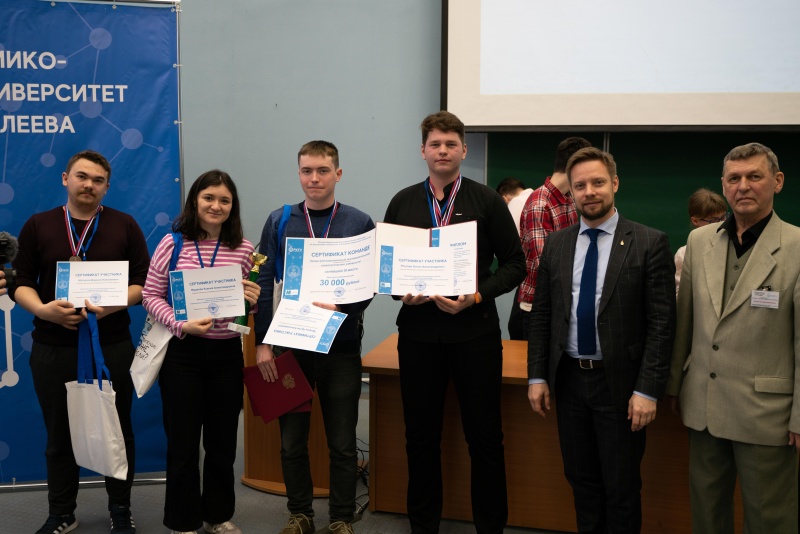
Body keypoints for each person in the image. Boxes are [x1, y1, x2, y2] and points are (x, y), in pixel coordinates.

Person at [383, 111, 526, 534]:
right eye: (435, 144)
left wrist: (477, 295)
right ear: (422, 151)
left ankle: (490, 528)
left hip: (475, 334)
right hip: (418, 336)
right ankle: (423, 526)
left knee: (485, 438)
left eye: (450, 144)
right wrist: (402, 293)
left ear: (463, 150)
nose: (442, 151)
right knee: (420, 437)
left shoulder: (487, 200)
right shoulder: (402, 202)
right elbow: (388, 271)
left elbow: (515, 264)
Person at [527, 147, 676, 534]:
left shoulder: (648, 242)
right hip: (570, 383)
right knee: (582, 483)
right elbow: (542, 314)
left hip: (621, 386)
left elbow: (662, 324)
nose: (589, 191)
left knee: (621, 488)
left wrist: (647, 390)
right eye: (580, 186)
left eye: (597, 182)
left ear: (615, 183)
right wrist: (537, 376)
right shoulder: (558, 244)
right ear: (571, 192)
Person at [10, 150, 149, 534]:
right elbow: (21, 281)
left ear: (106, 186)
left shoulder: (124, 225)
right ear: (65, 178)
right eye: (82, 176)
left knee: (117, 432)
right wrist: (44, 311)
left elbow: (143, 283)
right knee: (59, 436)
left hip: (112, 347)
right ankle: (62, 513)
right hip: (52, 349)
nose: (89, 185)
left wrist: (110, 306)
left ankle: (120, 509)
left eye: (98, 180)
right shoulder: (39, 225)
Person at [666, 143, 800, 533]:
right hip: (703, 408)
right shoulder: (699, 242)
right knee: (707, 517)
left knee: (770, 520)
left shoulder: (796, 247)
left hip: (767, 415)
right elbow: (685, 322)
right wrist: (674, 385)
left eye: (754, 176)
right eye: (734, 178)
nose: (743, 186)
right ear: (723, 185)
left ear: (777, 181)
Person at [254, 141, 374, 534]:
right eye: (307, 170)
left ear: (337, 174)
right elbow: (264, 282)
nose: (314, 178)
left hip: (341, 349)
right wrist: (262, 343)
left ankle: (340, 518)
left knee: (342, 443)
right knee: (292, 442)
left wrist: (343, 308)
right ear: (299, 173)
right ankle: (300, 514)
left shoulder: (358, 222)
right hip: (291, 348)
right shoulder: (280, 220)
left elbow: (369, 284)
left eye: (323, 170)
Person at [142, 170, 260, 534]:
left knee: (222, 443)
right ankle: (183, 521)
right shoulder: (172, 243)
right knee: (183, 444)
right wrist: (181, 325)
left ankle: (217, 516)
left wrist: (253, 301)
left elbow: (244, 309)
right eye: (209, 197)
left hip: (226, 355)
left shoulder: (244, 249)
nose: (216, 206)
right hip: (183, 355)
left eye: (225, 200)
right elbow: (150, 296)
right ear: (195, 200)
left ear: (232, 207)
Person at [518, 137, 591, 339]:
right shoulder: (540, 204)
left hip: (563, 304)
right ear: (573, 167)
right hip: (538, 307)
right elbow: (545, 265)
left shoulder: (568, 199)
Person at [496, 177, 532, 340]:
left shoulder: (516, 203)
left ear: (504, 198)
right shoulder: (539, 198)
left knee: (517, 328)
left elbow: (506, 247)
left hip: (529, 279)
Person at [673, 188, 727, 295]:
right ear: (695, 221)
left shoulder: (735, 244)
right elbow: (681, 296)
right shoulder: (684, 254)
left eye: (723, 217)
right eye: (713, 220)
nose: (721, 223)